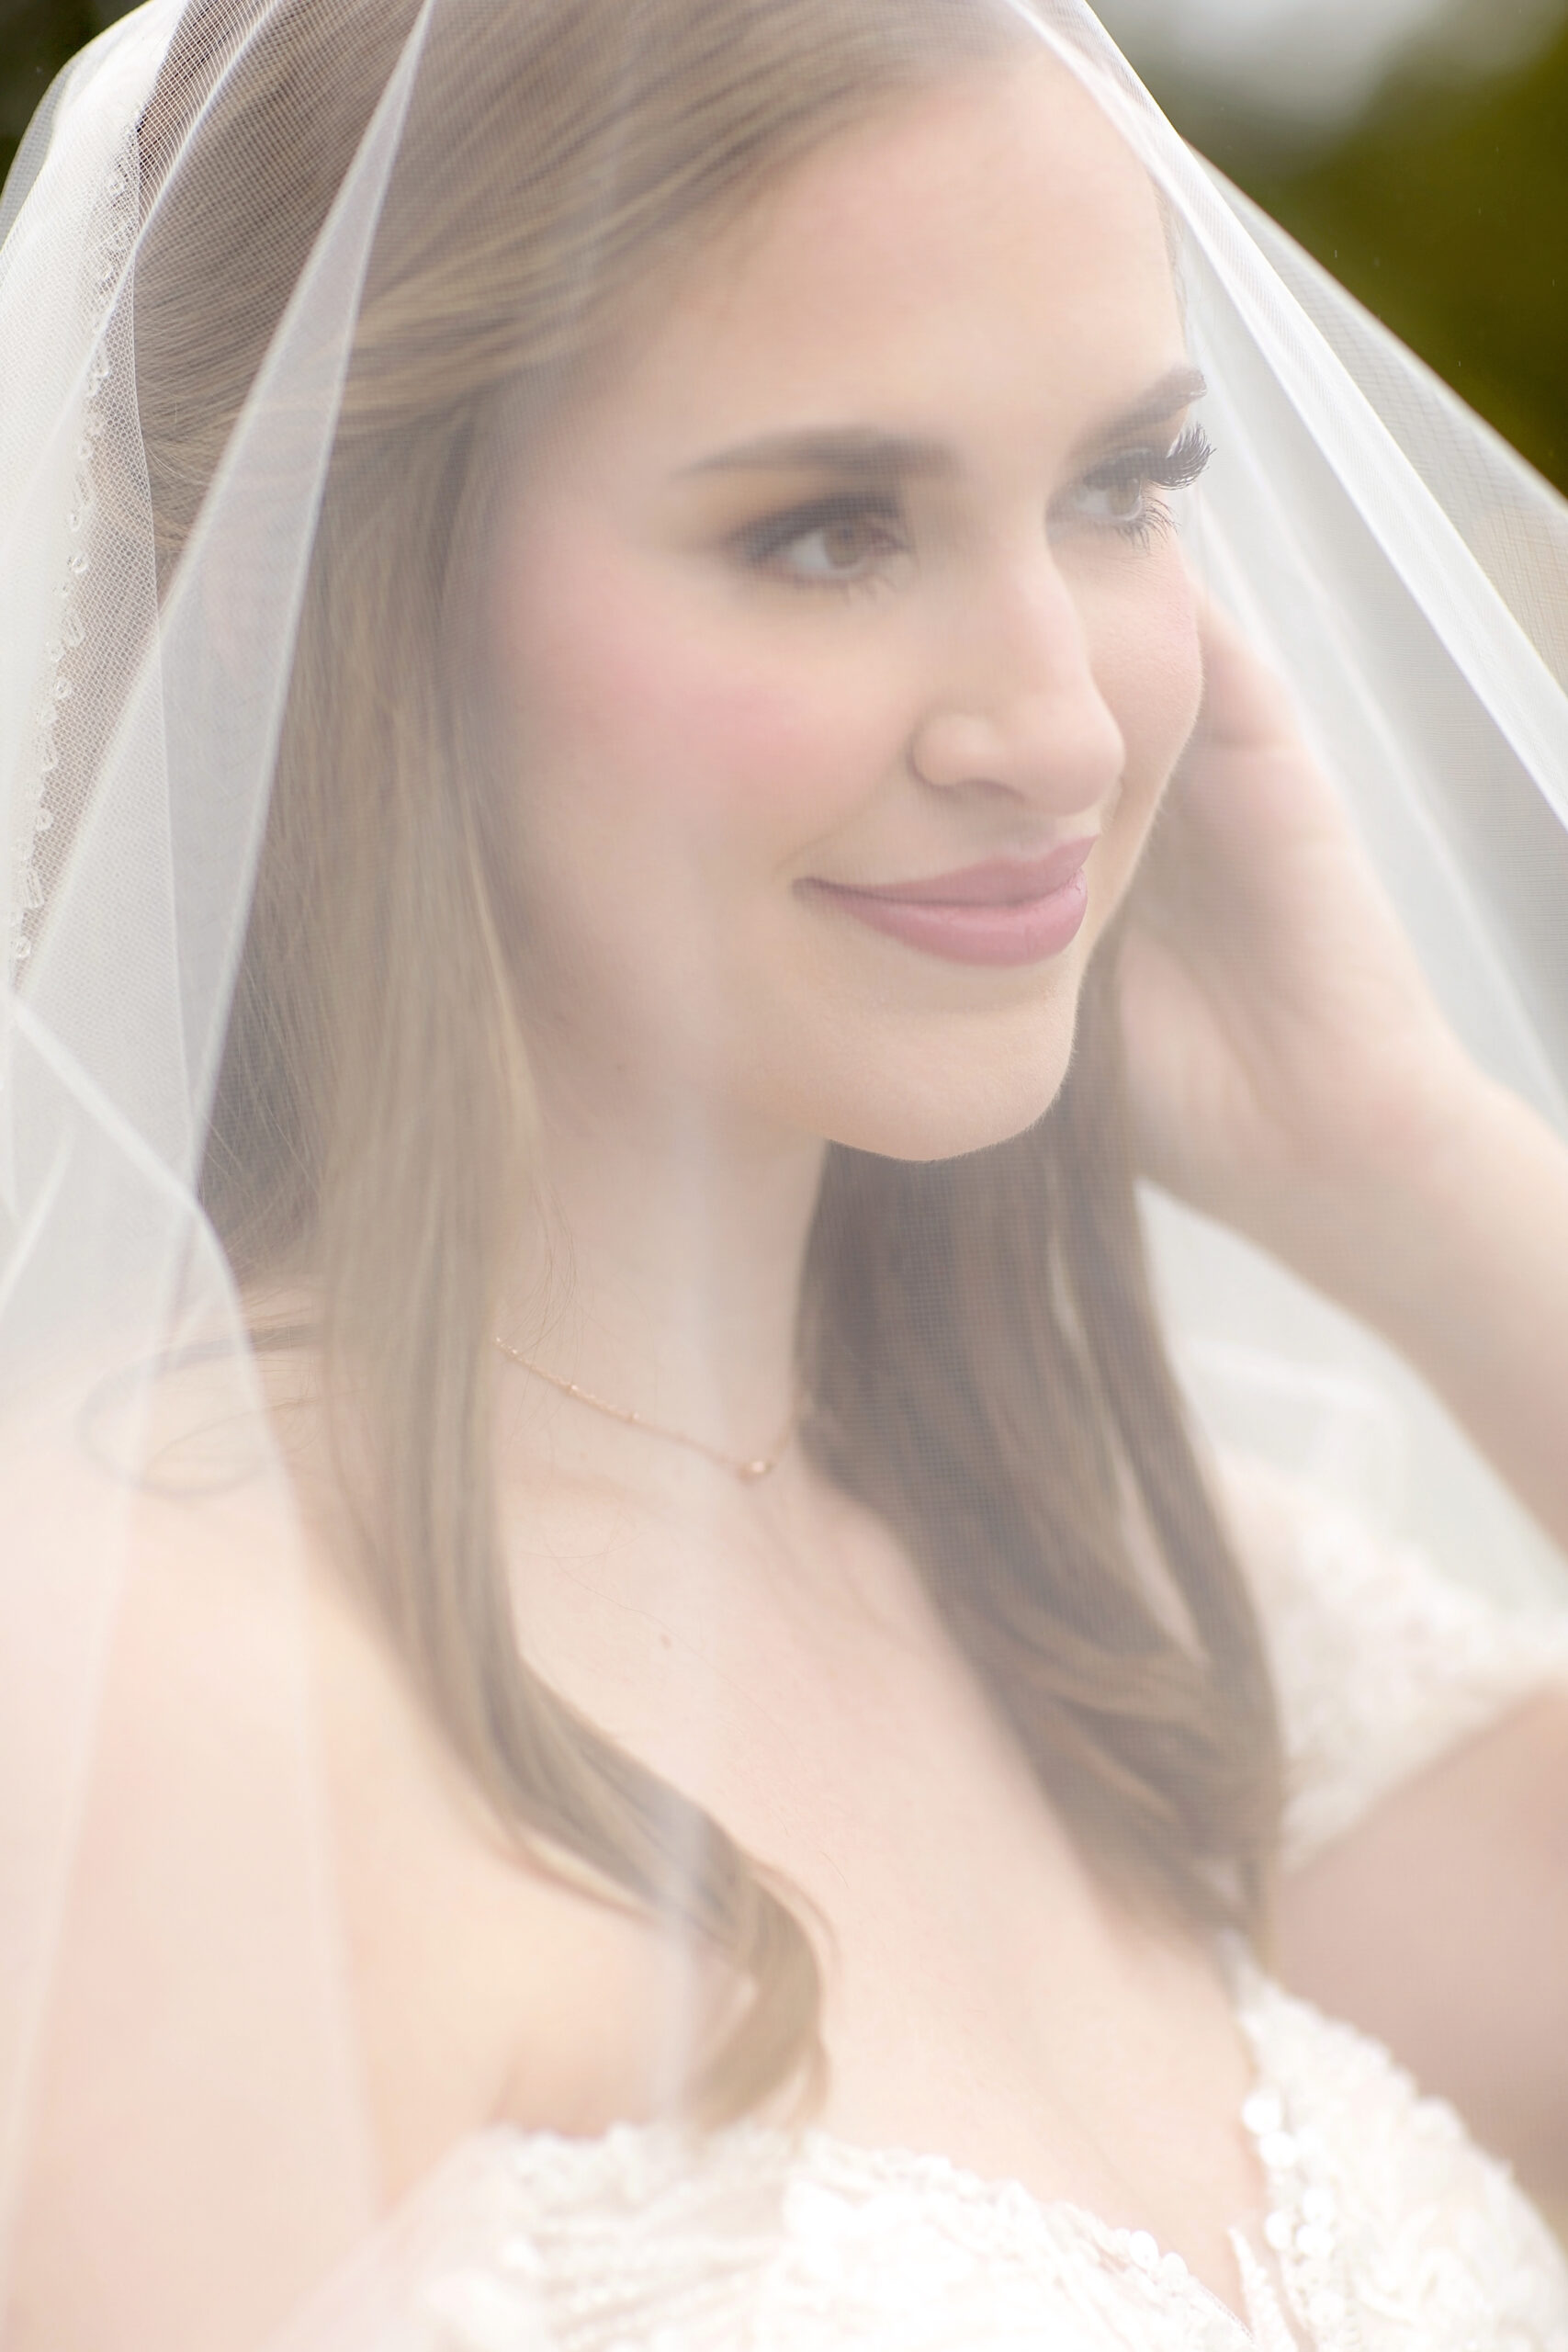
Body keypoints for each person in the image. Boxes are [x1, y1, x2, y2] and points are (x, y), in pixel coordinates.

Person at [2, 0, 1567, 2345]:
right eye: (829, 531)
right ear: (306, 573)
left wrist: (1407, 1165)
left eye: (1123, 488)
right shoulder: (149, 1687)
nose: (1055, 724)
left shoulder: (1114, 1605)